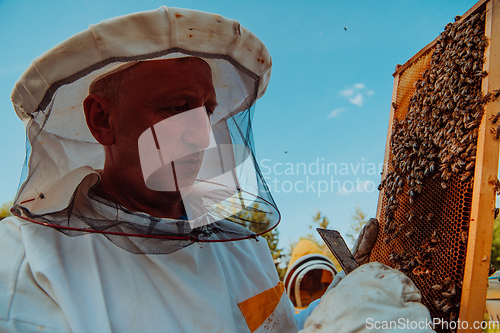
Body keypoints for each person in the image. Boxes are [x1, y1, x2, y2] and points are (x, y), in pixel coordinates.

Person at [0, 7, 435, 333]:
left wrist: (342, 311)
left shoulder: (242, 247)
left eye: (207, 112)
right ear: (102, 120)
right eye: (176, 109)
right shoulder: (24, 264)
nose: (203, 137)